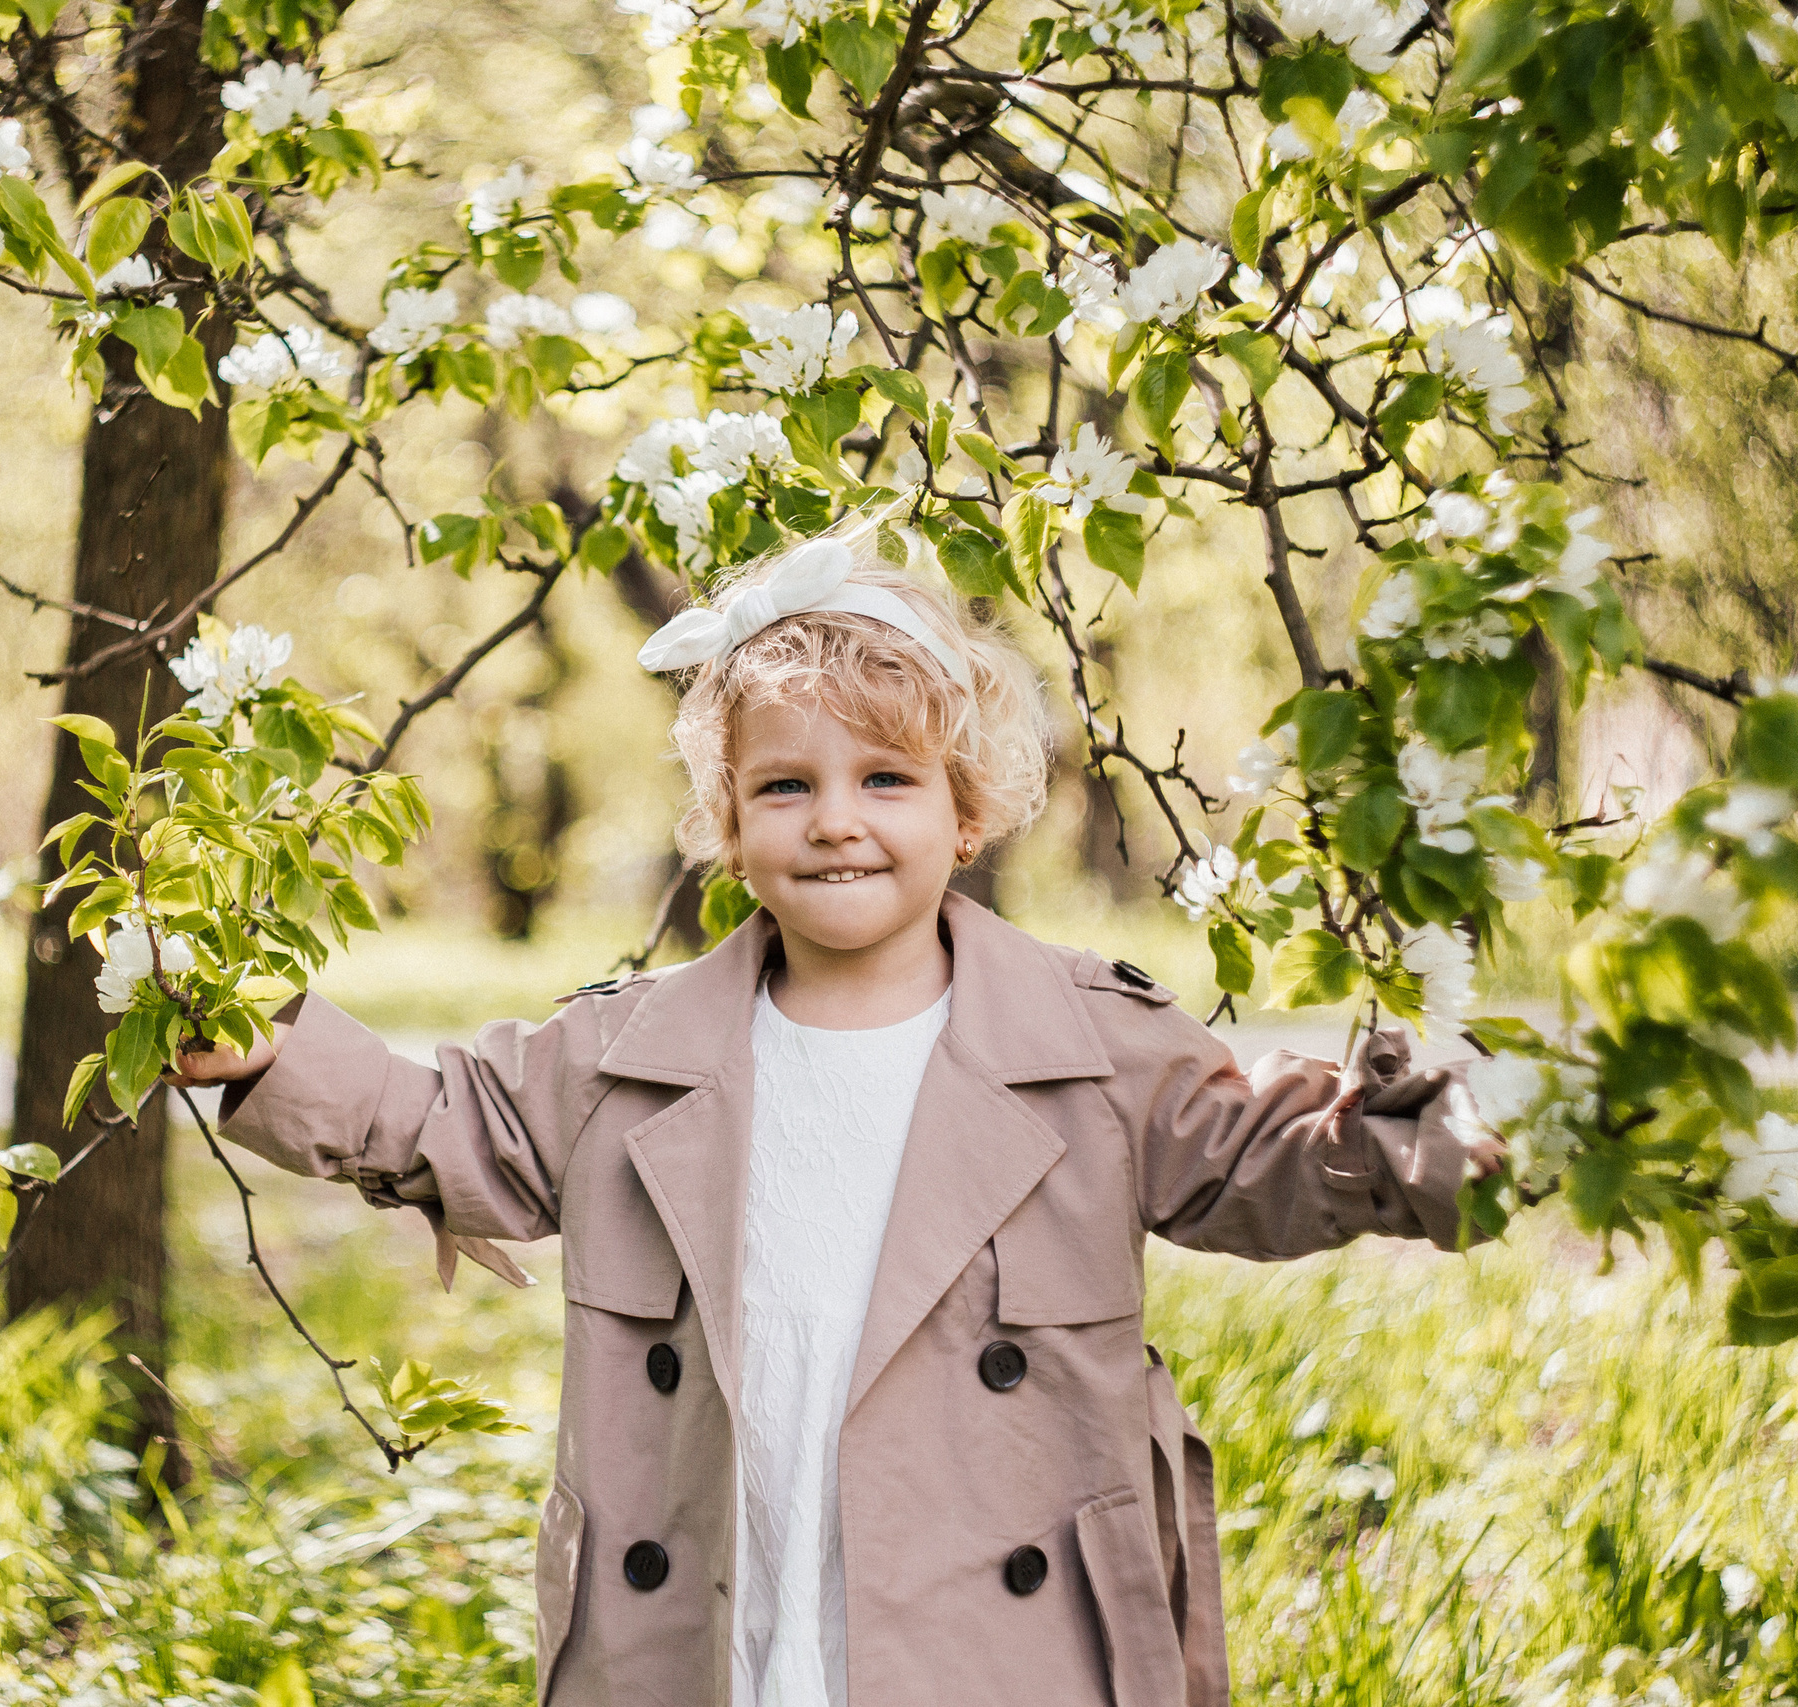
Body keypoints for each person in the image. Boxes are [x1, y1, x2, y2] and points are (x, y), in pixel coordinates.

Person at [169, 517, 1505, 1707]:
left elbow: (1260, 1161)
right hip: (729, 1591)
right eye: (785, 787)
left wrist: (1416, 1143)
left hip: (999, 1641)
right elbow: (453, 1120)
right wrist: (268, 1054)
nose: (835, 824)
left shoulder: (1091, 1043)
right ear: (728, 824)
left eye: (887, 781)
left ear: (967, 811)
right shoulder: (634, 1049)